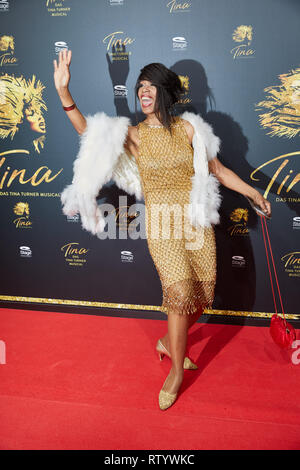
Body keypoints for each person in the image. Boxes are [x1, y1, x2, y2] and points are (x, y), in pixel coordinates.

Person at [53, 49, 271, 411]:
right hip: (161, 222)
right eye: (140, 86)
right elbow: (91, 133)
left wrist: (252, 192)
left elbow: (217, 170)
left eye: (151, 85)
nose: (144, 90)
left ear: (165, 91)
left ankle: (170, 344)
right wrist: (64, 93)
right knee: (180, 289)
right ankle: (176, 373)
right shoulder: (134, 135)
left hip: (195, 220)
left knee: (201, 294)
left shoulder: (189, 128)